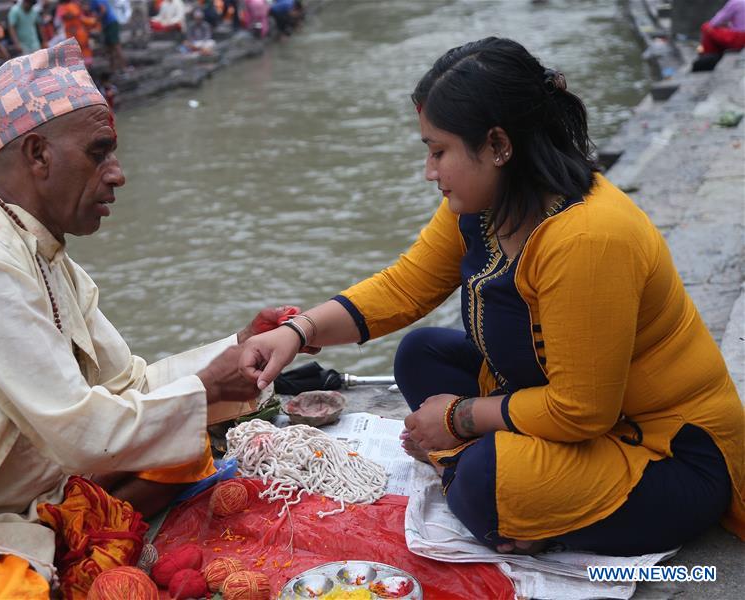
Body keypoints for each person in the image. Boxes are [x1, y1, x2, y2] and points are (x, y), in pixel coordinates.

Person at [240, 37, 744, 557]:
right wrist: (298, 332)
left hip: (661, 451)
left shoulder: (588, 239)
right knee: (421, 353)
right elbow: (404, 286)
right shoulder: (481, 206)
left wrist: (458, 418)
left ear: (499, 146)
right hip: (564, 412)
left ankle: (488, 487)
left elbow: (582, 413)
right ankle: (492, 484)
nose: (429, 171)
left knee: (485, 481)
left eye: (440, 152)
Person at [0, 38, 290, 598]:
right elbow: (82, 434)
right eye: (99, 152)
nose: (117, 174)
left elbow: (129, 384)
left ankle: (56, 538)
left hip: (21, 493)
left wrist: (240, 346)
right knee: (20, 594)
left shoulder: (51, 260)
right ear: (38, 155)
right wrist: (206, 388)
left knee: (187, 448)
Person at [56, 0, 97, 64]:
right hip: (71, 33)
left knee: (84, 49)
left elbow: (80, 17)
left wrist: (92, 21)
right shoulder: (62, 7)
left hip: (80, 33)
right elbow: (65, 16)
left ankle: (88, 66)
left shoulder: (73, 5)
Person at [90, 0, 124, 70]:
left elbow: (103, 10)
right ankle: (113, 68)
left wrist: (95, 20)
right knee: (110, 47)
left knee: (115, 46)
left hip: (110, 24)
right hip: (107, 24)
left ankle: (123, 68)